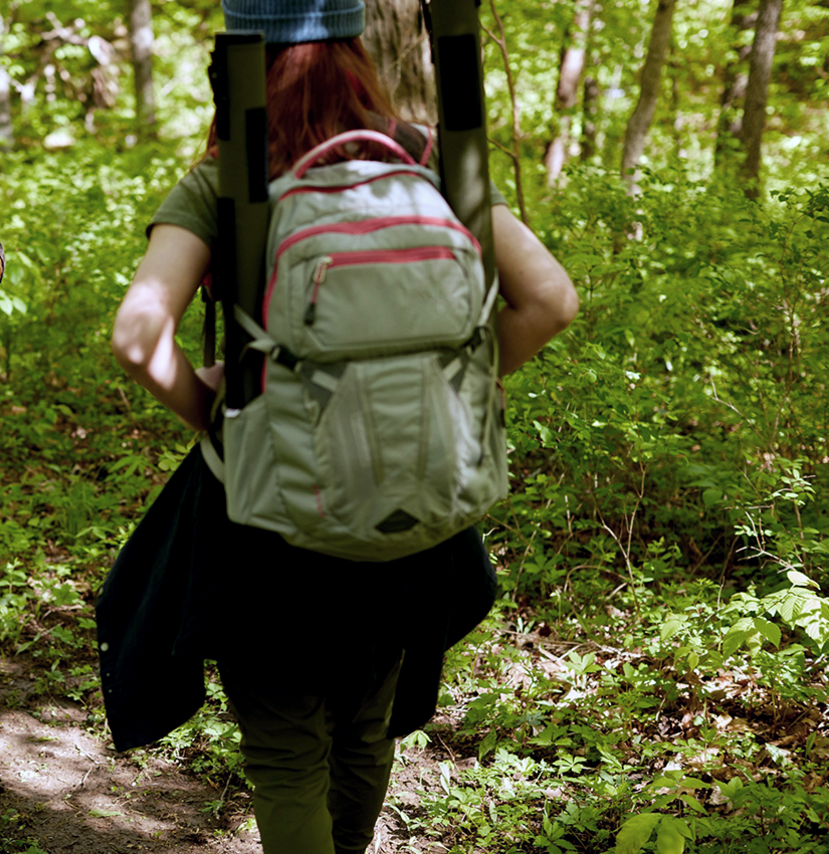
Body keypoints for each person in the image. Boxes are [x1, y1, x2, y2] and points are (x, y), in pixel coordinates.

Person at [99, 1, 578, 852]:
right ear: (356, 53)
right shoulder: (432, 160)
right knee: (366, 728)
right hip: (412, 507)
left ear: (237, 60)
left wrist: (220, 404)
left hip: (270, 521)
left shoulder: (229, 180)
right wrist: (454, 387)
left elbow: (139, 336)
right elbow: (551, 299)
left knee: (286, 752)